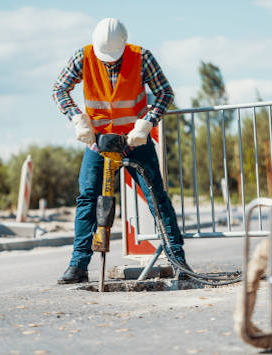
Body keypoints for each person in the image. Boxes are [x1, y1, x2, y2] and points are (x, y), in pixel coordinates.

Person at [51, 18, 186, 284]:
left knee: (156, 198)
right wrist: (77, 118)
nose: (109, 62)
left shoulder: (142, 57)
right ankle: (78, 265)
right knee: (88, 199)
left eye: (114, 57)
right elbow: (59, 89)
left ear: (124, 46)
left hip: (134, 141)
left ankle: (178, 260)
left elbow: (164, 93)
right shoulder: (84, 56)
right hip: (98, 142)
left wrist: (147, 122)